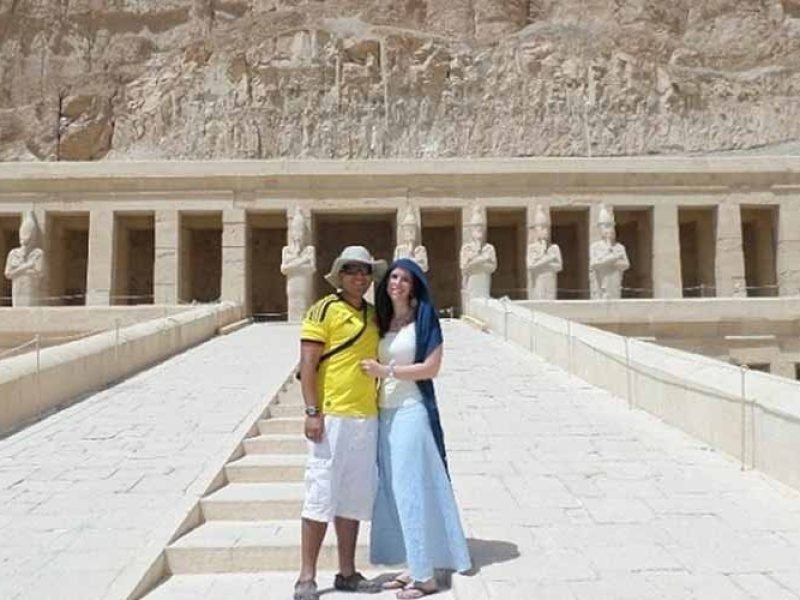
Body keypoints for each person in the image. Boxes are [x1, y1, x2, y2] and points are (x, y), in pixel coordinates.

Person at [360, 258, 471, 599]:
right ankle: (414, 562)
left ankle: (425, 578)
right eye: (393, 277)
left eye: (405, 279)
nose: (397, 283)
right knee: (395, 489)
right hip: (385, 413)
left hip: (411, 411)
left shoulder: (424, 318)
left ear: (415, 285)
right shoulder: (383, 319)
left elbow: (431, 368)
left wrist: (386, 371)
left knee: (409, 489)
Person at [294, 246, 387, 600]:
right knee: (320, 494)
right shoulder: (323, 309)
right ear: (339, 275)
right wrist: (312, 411)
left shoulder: (374, 315)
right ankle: (306, 575)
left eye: (364, 271)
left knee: (353, 497)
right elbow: (307, 363)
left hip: (366, 415)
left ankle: (347, 572)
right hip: (331, 415)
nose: (359, 277)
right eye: (351, 271)